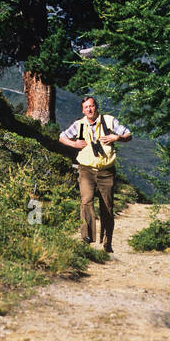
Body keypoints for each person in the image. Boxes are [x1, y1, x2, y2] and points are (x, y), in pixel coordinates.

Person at [59, 96, 131, 253]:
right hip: (86, 169)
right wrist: (74, 144)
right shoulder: (79, 125)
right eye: (86, 107)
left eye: (91, 106)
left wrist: (116, 137)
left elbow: (128, 135)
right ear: (83, 110)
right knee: (86, 200)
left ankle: (107, 243)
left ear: (96, 107)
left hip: (106, 171)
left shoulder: (109, 121)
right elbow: (62, 137)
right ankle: (87, 237)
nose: (89, 109)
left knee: (107, 207)